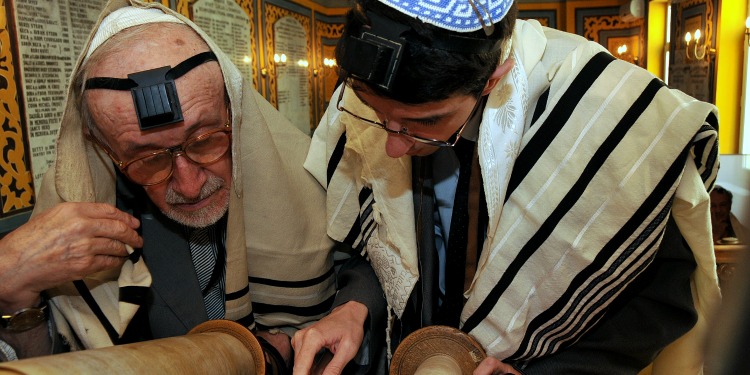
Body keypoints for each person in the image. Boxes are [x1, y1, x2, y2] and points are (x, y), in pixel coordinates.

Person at [303, 0, 722, 373]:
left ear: (492, 79)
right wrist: (355, 305)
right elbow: (369, 245)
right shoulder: (369, 88)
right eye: (378, 115)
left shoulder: (616, 117)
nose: (393, 147)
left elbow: (660, 298)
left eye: (427, 123)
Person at [0, 1, 384, 373]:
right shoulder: (74, 220)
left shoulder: (307, 172)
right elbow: (56, 361)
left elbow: (368, 265)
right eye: (148, 159)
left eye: (204, 140)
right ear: (103, 149)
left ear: (235, 113)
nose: (188, 184)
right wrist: (12, 285)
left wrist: (352, 309)